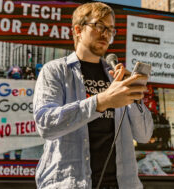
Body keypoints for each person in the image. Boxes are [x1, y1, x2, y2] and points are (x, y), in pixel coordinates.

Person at [33, 2, 154, 189]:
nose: (106, 33)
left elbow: (144, 135)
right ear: (78, 30)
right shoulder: (56, 71)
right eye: (99, 26)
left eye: (111, 29)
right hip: (70, 183)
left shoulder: (115, 76)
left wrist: (134, 96)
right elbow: (45, 124)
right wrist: (102, 101)